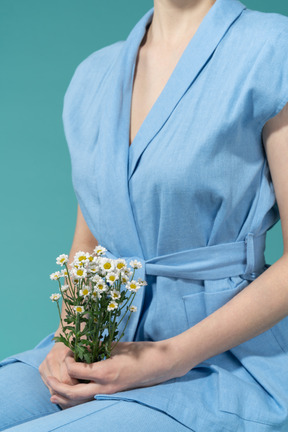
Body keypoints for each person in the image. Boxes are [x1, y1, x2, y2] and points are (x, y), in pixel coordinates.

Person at [1, 0, 288, 430]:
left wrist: (166, 359)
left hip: (229, 362)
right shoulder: (93, 75)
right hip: (105, 344)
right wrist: (69, 339)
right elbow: (89, 245)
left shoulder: (271, 49)